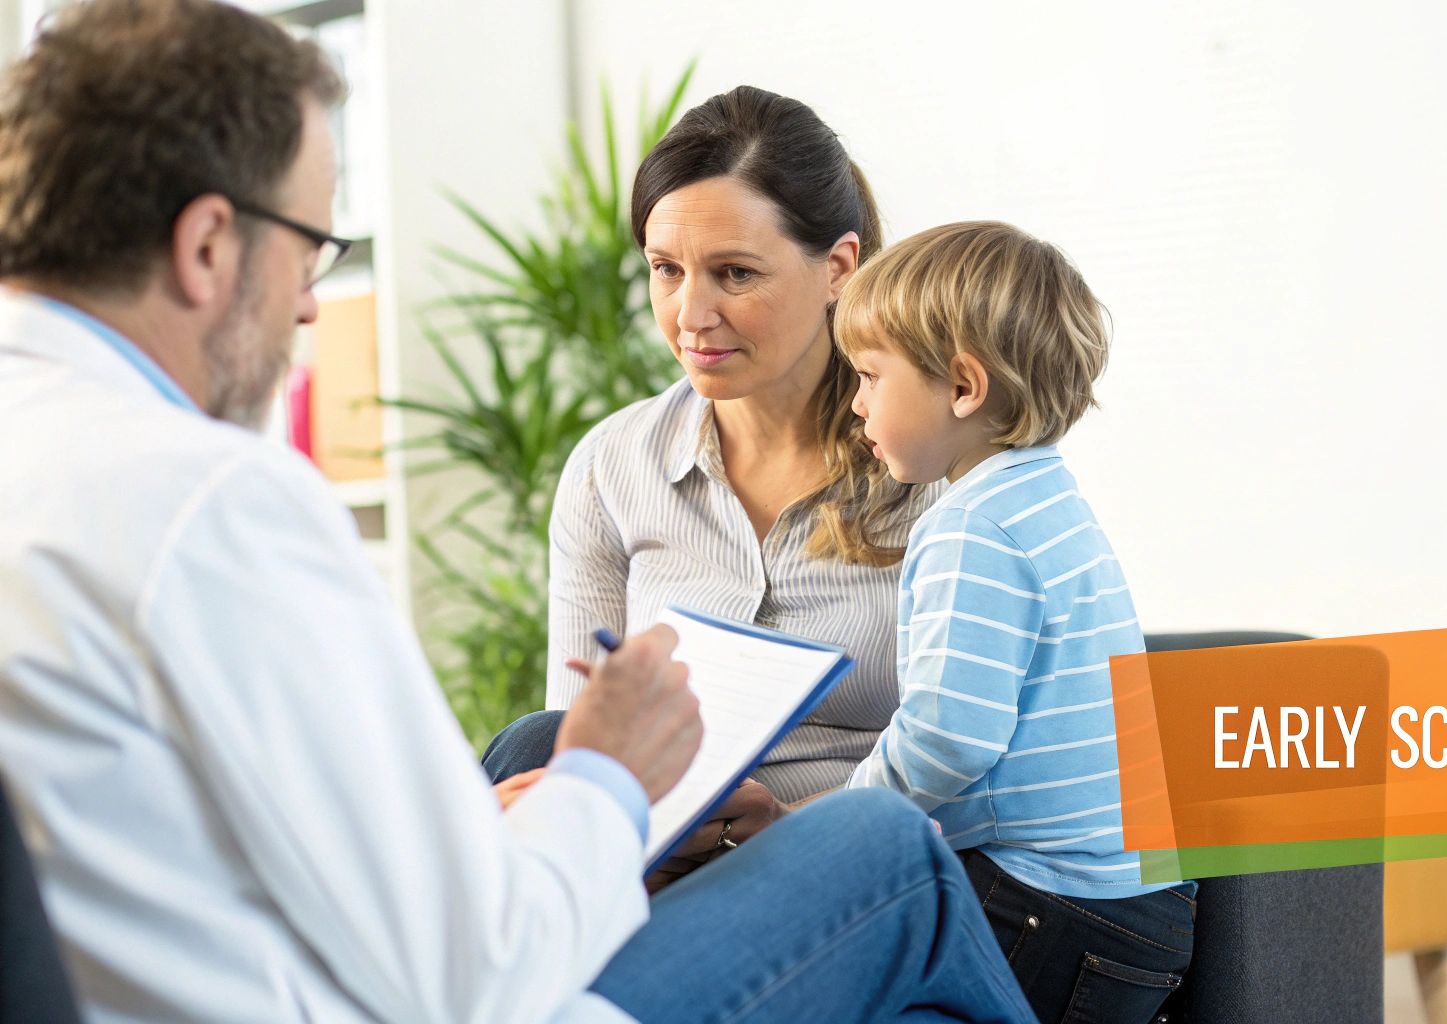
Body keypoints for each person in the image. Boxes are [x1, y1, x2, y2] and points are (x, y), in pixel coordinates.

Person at [0, 3, 1033, 1022]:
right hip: (535, 941)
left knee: (868, 843)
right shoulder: (213, 501)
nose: (312, 303)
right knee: (851, 845)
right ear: (209, 247)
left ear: (837, 268)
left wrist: (552, 812)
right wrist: (594, 782)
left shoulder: (957, 461)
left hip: (742, 861)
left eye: (734, 274)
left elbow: (1037, 733)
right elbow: (473, 964)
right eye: (313, 248)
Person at [484, 85, 938, 885]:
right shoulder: (611, 467)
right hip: (658, 855)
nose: (690, 315)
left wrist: (781, 829)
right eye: (666, 270)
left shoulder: (939, 463)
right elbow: (579, 727)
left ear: (838, 267)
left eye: (733, 273)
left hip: (851, 867)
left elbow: (980, 763)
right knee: (532, 746)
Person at [836, 221, 1198, 1022]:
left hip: (1052, 902)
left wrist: (844, 820)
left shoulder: (972, 525)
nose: (856, 404)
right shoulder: (1044, 496)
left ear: (963, 387)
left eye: (867, 376)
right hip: (1136, 904)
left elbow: (950, 736)